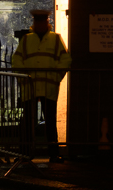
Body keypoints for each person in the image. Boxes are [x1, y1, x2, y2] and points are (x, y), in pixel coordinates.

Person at [12, 10, 71, 161]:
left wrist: (56, 77)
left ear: (46, 22)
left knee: (49, 121)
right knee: (28, 121)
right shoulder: (27, 39)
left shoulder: (54, 39)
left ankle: (50, 153)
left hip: (42, 85)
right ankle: (26, 153)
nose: (39, 24)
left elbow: (65, 60)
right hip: (35, 85)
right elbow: (16, 60)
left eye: (41, 21)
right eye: (37, 21)